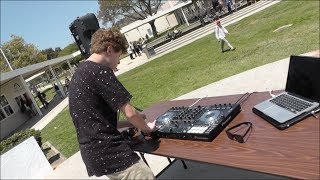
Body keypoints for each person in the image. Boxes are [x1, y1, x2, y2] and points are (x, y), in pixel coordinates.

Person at [68, 28, 156, 179]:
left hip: (93, 154)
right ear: (109, 50)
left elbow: (99, 123)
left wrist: (132, 123)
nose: (119, 61)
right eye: (119, 55)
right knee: (144, 174)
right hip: (110, 151)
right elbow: (130, 113)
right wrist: (147, 129)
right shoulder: (99, 71)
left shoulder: (80, 72)